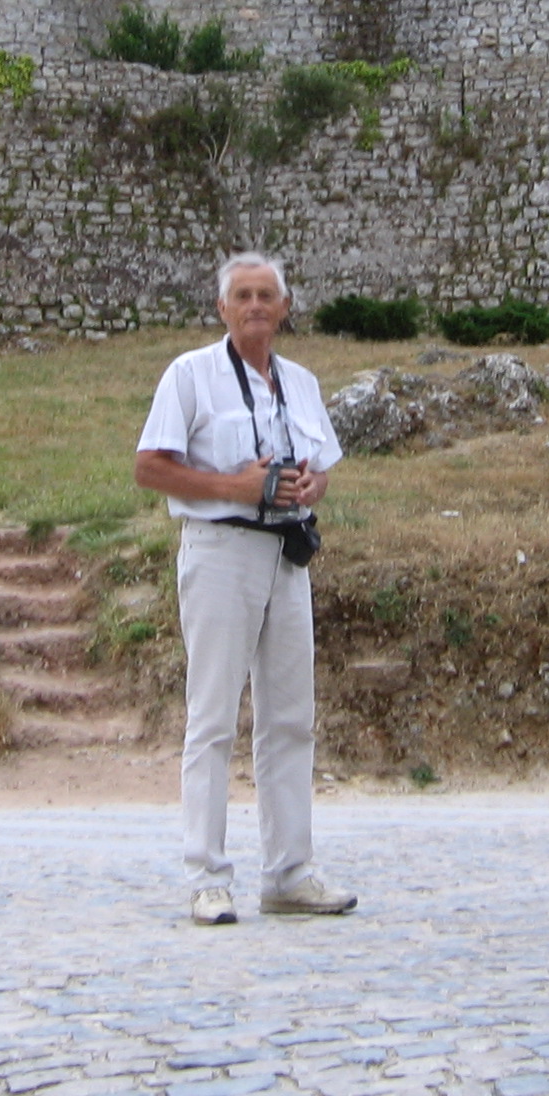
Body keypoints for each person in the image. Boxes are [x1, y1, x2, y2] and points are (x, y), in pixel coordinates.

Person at [134, 252, 356, 926]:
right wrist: (234, 485)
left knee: (290, 717)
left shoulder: (303, 383)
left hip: (287, 555)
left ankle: (290, 871)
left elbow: (322, 467)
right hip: (222, 550)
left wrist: (311, 486)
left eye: (267, 295)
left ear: (285, 308)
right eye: (243, 295)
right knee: (212, 717)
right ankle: (207, 876)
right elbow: (150, 467)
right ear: (222, 308)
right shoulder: (190, 376)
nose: (256, 306)